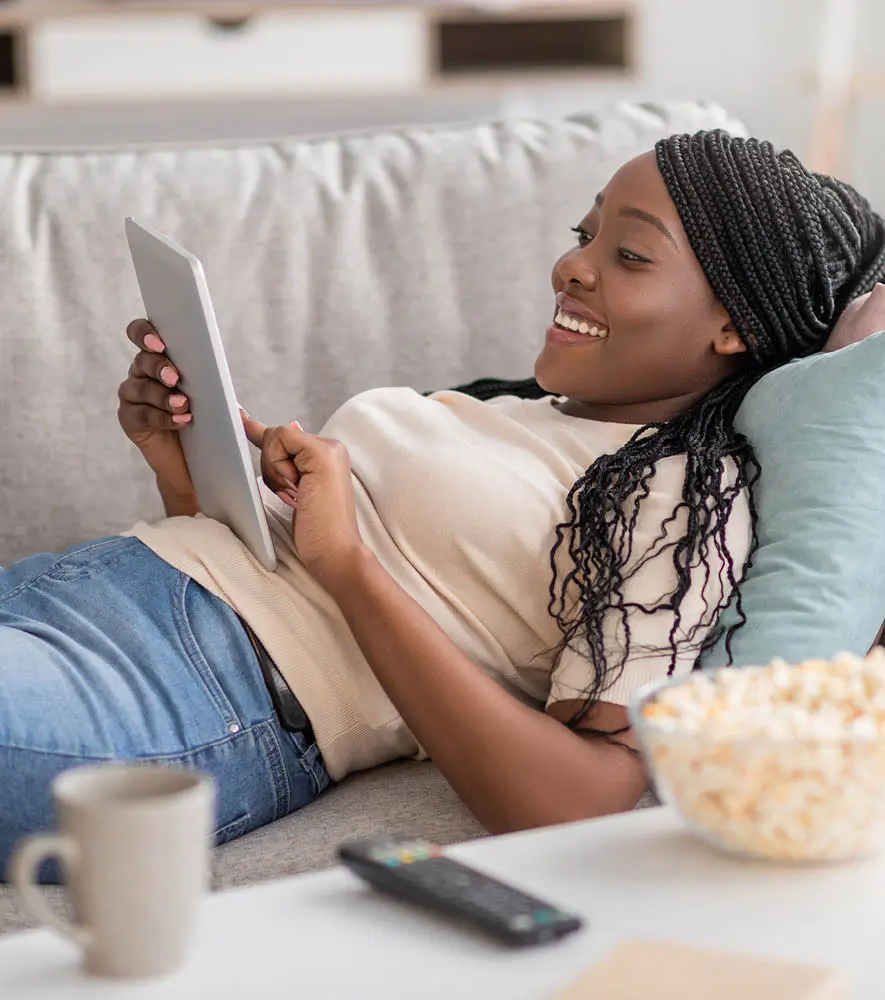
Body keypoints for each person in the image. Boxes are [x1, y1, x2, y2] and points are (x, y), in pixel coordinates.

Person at [3, 131, 884, 880]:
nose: (570, 266)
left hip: (193, 692)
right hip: (85, 593)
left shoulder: (680, 497)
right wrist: (187, 475)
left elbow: (584, 799)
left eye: (628, 254)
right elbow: (263, 572)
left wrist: (349, 564)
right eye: (584, 233)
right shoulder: (511, 409)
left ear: (732, 327)